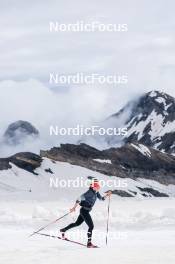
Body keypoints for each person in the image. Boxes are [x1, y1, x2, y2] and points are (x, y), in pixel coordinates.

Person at [60, 178, 112, 248]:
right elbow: (79, 198)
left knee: (77, 223)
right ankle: (89, 243)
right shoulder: (89, 192)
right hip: (84, 211)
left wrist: (107, 195)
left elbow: (101, 199)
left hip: (85, 211)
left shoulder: (96, 193)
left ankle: (63, 230)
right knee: (91, 226)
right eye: (97, 187)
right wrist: (74, 208)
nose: (98, 189)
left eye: (98, 187)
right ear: (93, 187)